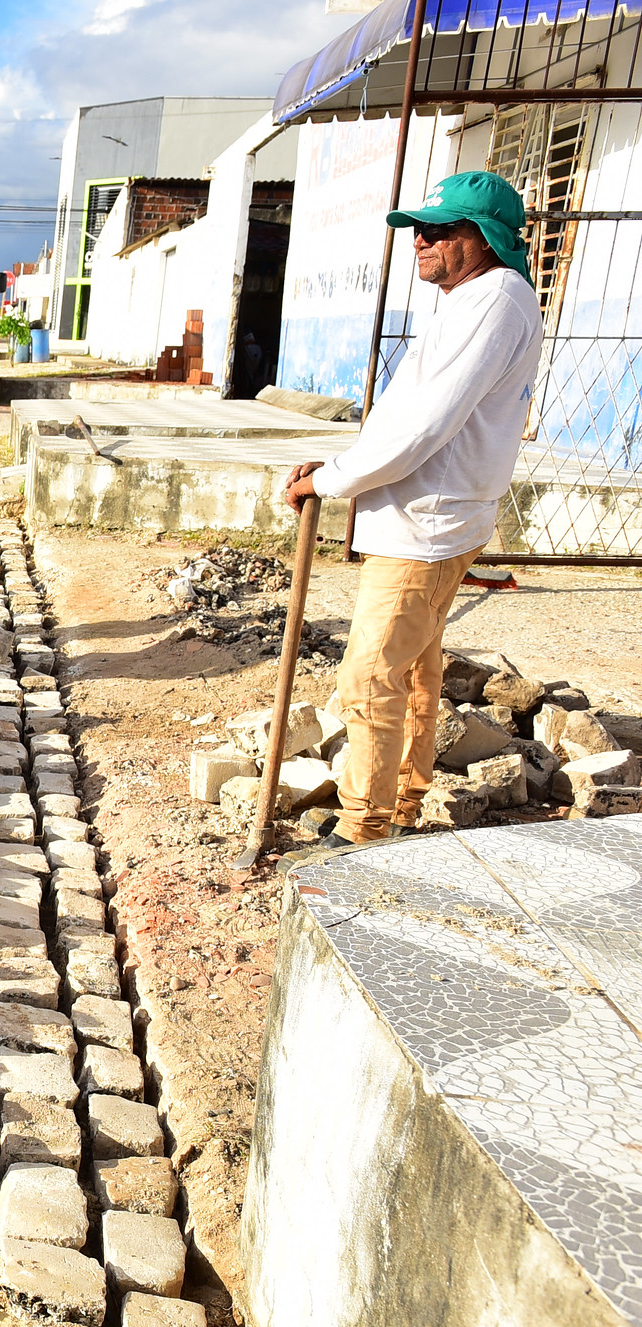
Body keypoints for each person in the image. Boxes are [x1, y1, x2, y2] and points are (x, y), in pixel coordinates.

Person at [283, 171, 544, 847]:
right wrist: (336, 468)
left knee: (371, 678)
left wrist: (330, 481)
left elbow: (425, 427)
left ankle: (362, 832)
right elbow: (415, 419)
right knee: (416, 673)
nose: (421, 241)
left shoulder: (495, 301)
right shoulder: (479, 297)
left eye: (441, 230)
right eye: (419, 229)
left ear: (484, 238)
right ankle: (399, 803)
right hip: (429, 519)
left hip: (426, 525)